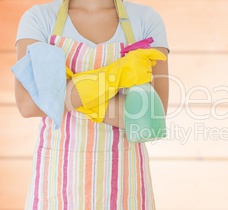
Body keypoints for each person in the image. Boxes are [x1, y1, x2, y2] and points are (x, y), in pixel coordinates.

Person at [14, 0, 169, 209]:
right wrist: (113, 76)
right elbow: (29, 104)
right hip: (57, 184)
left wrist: (64, 94)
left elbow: (150, 117)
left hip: (124, 184)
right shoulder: (39, 19)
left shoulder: (145, 20)